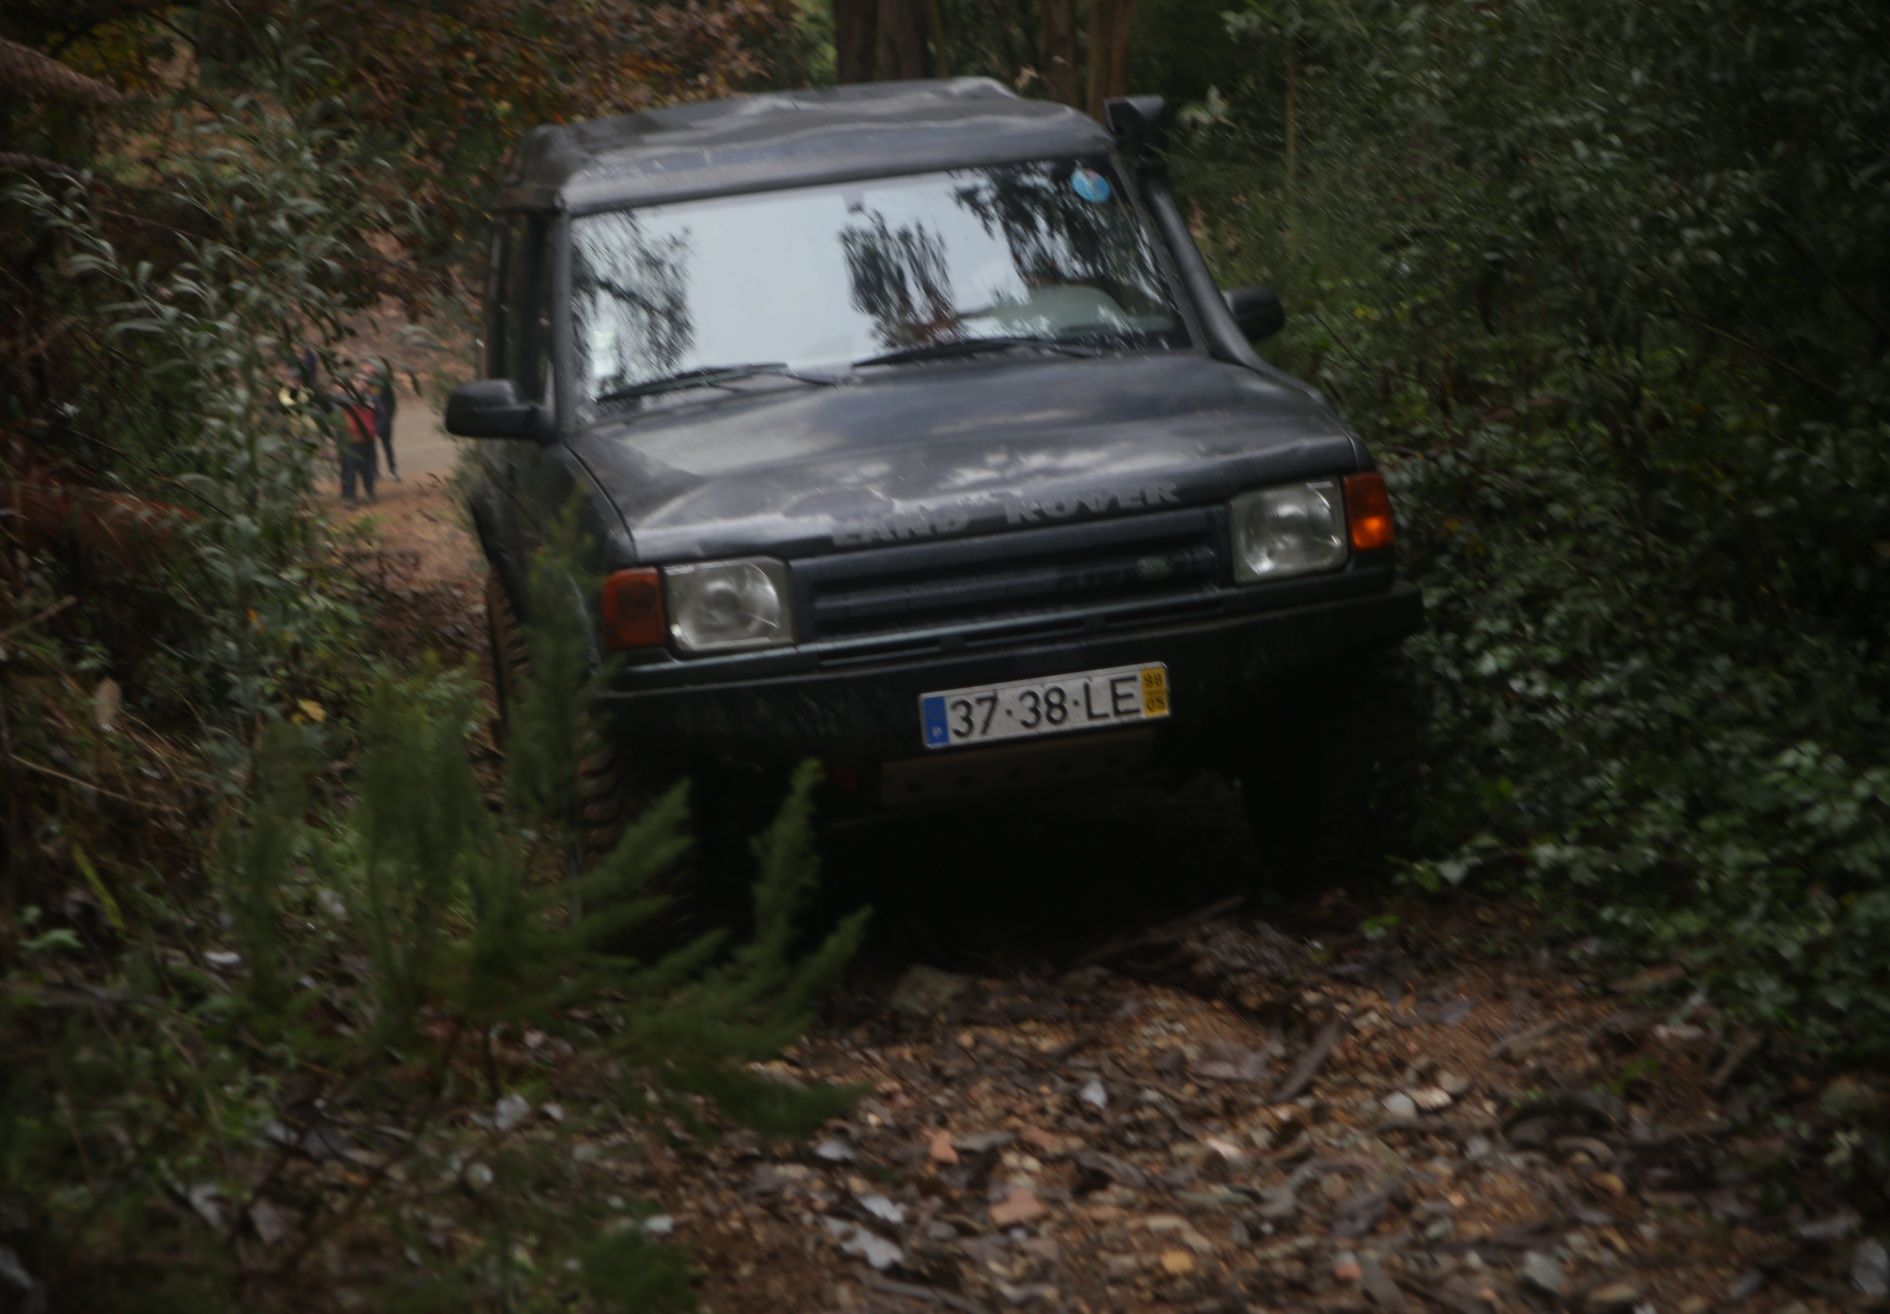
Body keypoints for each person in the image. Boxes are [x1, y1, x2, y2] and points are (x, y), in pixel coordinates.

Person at [335, 369, 379, 504]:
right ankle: (350, 497)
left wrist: (375, 430)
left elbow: (381, 416)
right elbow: (337, 420)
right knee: (350, 470)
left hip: (368, 440)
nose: (361, 384)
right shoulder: (344, 400)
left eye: (364, 382)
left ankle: (370, 492)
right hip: (351, 441)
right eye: (358, 381)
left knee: (368, 469)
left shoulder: (371, 399)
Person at [370, 355, 399, 479]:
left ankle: (392, 470)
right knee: (372, 447)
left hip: (385, 419)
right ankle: (375, 472)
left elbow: (392, 404)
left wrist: (388, 418)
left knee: (387, 446)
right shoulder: (369, 382)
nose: (371, 369)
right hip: (372, 419)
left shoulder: (384, 382)